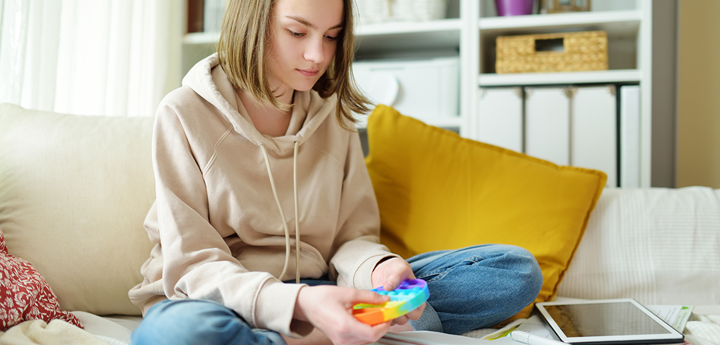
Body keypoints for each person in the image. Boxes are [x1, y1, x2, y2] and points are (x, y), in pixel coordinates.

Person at [129, 0, 543, 344]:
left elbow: (351, 237)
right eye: (297, 32)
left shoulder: (331, 116)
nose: (318, 55)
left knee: (514, 270)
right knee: (173, 334)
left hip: (323, 287)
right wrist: (298, 307)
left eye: (331, 36)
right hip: (220, 301)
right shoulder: (183, 113)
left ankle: (330, 330)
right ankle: (340, 333)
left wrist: (378, 268)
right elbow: (192, 265)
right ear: (253, 23)